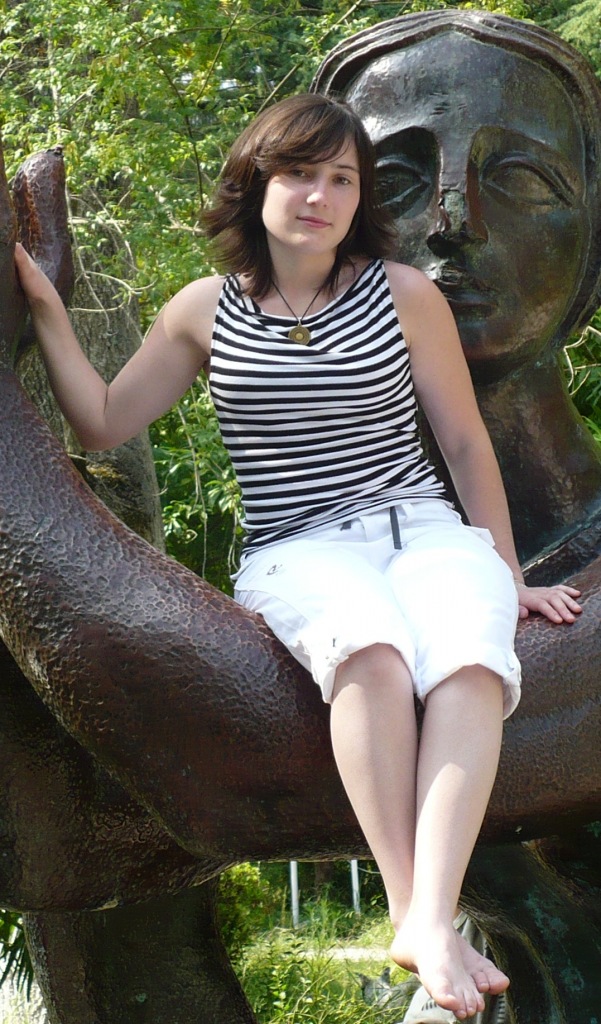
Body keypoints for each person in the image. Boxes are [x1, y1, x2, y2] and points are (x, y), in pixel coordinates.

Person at [14, 92, 581, 1021]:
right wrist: (46, 304)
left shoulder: (403, 294)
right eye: (299, 174)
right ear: (256, 183)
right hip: (298, 549)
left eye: (342, 179)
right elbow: (104, 422)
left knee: (472, 661)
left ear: (360, 200)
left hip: (424, 533)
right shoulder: (201, 313)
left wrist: (505, 571)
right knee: (370, 653)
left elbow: (463, 441)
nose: (320, 196)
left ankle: (425, 918)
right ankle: (416, 912)